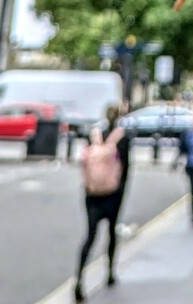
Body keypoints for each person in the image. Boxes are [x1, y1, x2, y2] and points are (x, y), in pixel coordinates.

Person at [75, 105, 130, 303]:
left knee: (90, 236)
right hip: (113, 194)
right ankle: (110, 273)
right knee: (111, 233)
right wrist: (120, 191)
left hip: (92, 194)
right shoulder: (121, 137)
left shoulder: (95, 135)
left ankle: (79, 279)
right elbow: (125, 169)